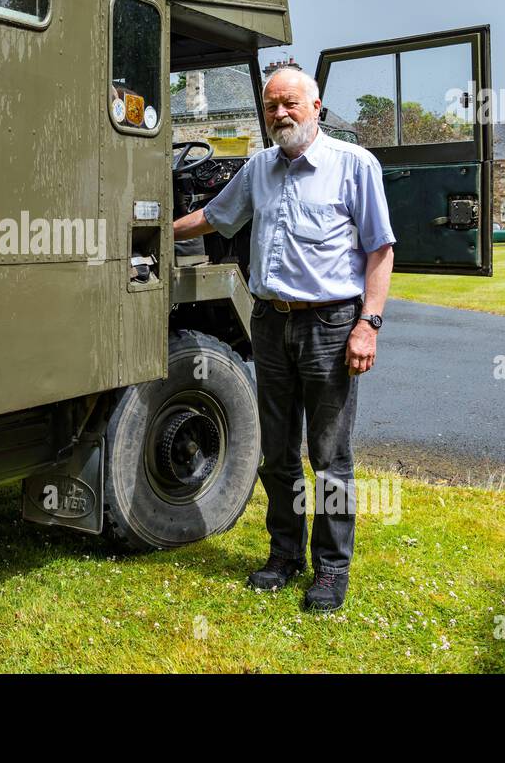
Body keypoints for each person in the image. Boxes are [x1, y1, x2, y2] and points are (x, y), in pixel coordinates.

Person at [172, 67, 395, 612]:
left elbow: (381, 251)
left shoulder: (354, 164)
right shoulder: (258, 168)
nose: (280, 114)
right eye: (271, 106)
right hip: (270, 323)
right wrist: (149, 228)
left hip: (331, 325)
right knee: (277, 453)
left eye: (290, 103)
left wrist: (369, 324)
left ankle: (331, 571)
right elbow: (215, 217)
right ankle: (284, 555)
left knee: (329, 457)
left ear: (316, 105)